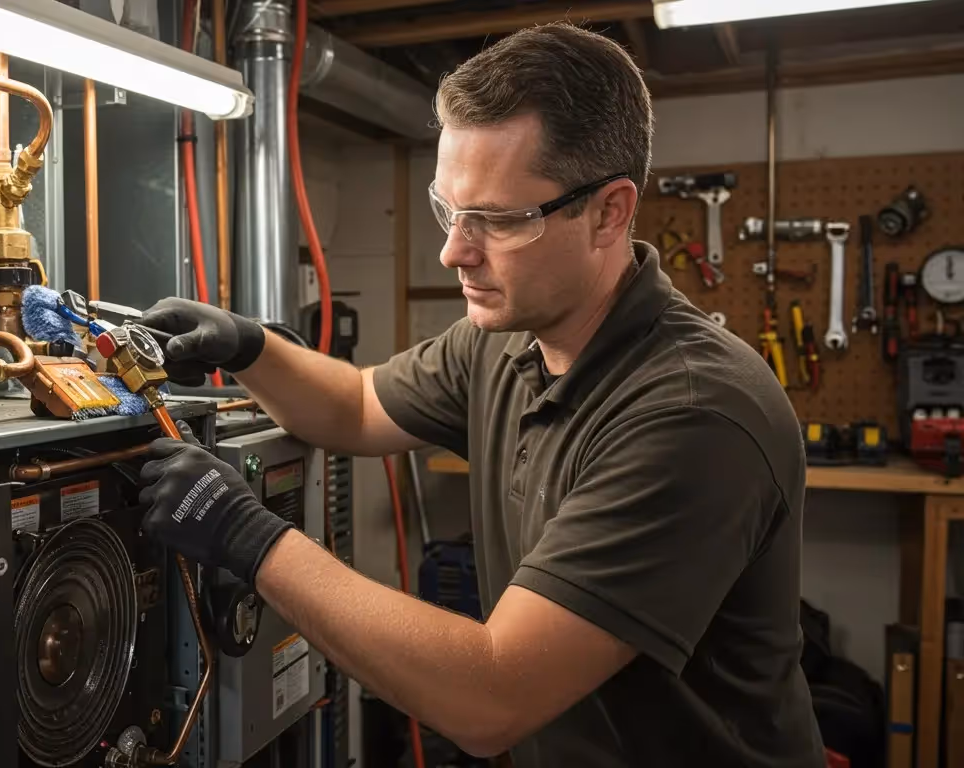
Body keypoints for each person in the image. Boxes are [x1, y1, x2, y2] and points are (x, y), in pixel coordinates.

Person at [136, 21, 824, 767]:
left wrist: (247, 538)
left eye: (496, 220)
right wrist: (249, 347)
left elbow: (492, 696)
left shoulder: (691, 413)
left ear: (609, 213)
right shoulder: (504, 338)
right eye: (449, 210)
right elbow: (358, 406)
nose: (453, 251)